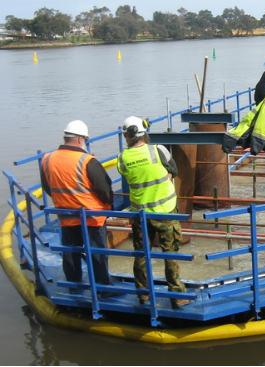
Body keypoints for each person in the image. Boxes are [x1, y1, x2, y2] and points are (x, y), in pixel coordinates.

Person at [117, 116, 192, 308]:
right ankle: (176, 295)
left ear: (127, 136)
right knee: (170, 254)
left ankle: (143, 294)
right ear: (144, 133)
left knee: (142, 254)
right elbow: (173, 170)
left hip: (141, 215)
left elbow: (126, 173)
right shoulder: (158, 150)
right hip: (165, 213)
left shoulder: (122, 158)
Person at [41, 120, 119, 298]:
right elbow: (104, 189)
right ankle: (103, 288)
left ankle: (74, 285)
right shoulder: (87, 161)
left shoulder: (47, 159)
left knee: (71, 252)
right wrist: (109, 205)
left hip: (65, 215)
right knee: (97, 252)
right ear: (79, 139)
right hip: (92, 217)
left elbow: (48, 187)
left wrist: (65, 201)